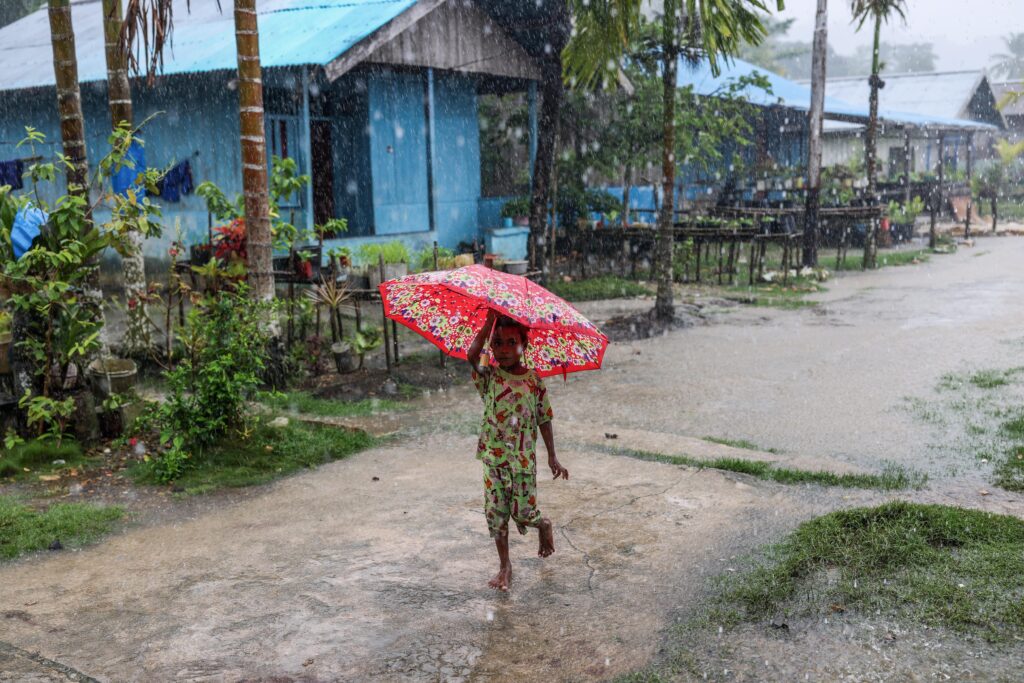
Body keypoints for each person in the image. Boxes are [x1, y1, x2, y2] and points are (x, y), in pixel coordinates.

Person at [467, 309, 568, 592]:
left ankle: (542, 524)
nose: (504, 349)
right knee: (497, 515)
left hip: (523, 461)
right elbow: (471, 357)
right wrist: (488, 324)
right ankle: (505, 566)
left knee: (523, 513)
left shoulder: (534, 381)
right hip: (494, 460)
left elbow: (544, 418)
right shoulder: (490, 376)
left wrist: (552, 455)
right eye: (498, 343)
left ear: (525, 345)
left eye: (512, 342)